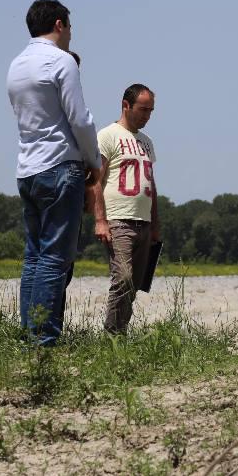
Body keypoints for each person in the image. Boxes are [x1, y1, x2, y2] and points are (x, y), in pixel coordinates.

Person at [7, 0, 101, 346]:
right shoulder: (61, 61)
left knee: (33, 256)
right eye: (70, 27)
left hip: (27, 167)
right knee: (54, 258)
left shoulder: (16, 64)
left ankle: (28, 333)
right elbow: (79, 118)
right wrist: (94, 161)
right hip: (60, 165)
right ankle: (44, 342)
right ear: (59, 25)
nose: (71, 34)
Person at [91, 84, 160, 334]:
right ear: (126, 105)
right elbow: (95, 179)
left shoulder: (147, 142)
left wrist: (155, 225)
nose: (147, 116)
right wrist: (100, 219)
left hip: (144, 221)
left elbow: (151, 184)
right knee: (124, 278)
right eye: (143, 109)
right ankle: (112, 334)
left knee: (136, 283)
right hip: (118, 219)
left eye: (151, 111)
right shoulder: (107, 135)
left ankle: (120, 332)